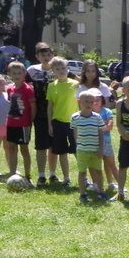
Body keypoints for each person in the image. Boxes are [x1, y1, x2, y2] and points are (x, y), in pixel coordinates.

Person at [46, 56, 79, 186]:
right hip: (58, 123)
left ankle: (85, 178)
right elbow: (50, 107)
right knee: (62, 152)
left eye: (63, 68)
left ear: (67, 69)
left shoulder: (76, 84)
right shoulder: (51, 86)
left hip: (74, 123)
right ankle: (66, 178)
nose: (61, 71)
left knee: (77, 150)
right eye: (57, 69)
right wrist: (50, 124)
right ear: (53, 71)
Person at [26, 43, 56, 186]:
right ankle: (41, 175)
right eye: (43, 55)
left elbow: (75, 81)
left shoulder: (58, 68)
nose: (46, 57)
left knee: (53, 146)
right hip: (39, 114)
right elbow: (23, 85)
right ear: (37, 57)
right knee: (41, 146)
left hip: (56, 113)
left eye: (49, 54)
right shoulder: (32, 71)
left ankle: (53, 174)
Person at [70, 90, 106, 202]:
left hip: (95, 149)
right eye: (86, 101)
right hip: (82, 150)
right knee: (82, 172)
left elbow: (101, 134)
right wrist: (78, 146)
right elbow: (75, 133)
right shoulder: (75, 117)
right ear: (79, 102)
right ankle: (82, 194)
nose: (89, 104)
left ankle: (100, 191)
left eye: (91, 102)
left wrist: (101, 148)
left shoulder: (97, 117)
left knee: (98, 171)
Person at [4, 61, 35, 183]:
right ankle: (12, 175)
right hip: (11, 123)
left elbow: (33, 107)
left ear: (24, 74)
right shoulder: (9, 89)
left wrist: (30, 122)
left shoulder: (28, 89)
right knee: (11, 148)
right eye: (14, 73)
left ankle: (27, 176)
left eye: (19, 73)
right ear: (9, 74)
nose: (17, 75)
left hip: (23, 125)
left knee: (24, 149)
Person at [89, 87, 118, 195]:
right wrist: (102, 125)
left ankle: (113, 183)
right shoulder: (87, 113)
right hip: (92, 143)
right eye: (92, 100)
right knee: (94, 166)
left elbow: (110, 126)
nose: (95, 102)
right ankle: (96, 184)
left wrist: (96, 127)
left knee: (111, 164)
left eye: (98, 99)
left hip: (106, 143)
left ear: (102, 100)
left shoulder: (107, 111)